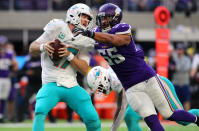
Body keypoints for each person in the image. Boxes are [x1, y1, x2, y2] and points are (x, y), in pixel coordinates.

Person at [72, 3, 199, 131]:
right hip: (131, 88)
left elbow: (114, 40)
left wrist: (90, 34)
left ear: (115, 19)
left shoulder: (123, 28)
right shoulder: (95, 33)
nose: (103, 21)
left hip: (148, 78)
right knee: (151, 120)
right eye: (102, 18)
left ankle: (197, 120)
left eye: (107, 18)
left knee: (169, 114)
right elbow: (79, 42)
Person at [29, 3, 101, 131]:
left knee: (92, 118)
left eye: (88, 19)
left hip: (71, 84)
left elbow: (85, 69)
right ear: (73, 14)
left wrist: (69, 56)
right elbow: (32, 48)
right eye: (83, 16)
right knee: (40, 111)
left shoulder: (86, 38)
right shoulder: (57, 27)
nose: (86, 21)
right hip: (51, 83)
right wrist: (43, 46)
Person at [87, 66, 199, 131]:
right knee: (130, 117)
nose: (100, 90)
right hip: (142, 93)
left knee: (181, 119)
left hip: (159, 86)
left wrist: (113, 130)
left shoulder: (116, 80)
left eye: (99, 87)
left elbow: (122, 106)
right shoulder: (112, 73)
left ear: (102, 79)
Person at [0, 35, 18, 123]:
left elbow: (16, 65)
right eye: (1, 44)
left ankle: (2, 115)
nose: (2, 46)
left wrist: (13, 71)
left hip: (6, 78)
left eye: (3, 44)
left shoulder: (9, 54)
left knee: (4, 97)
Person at [172, 43, 191, 110]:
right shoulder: (173, 58)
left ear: (183, 50)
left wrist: (176, 67)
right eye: (178, 49)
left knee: (186, 101)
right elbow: (170, 67)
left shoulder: (187, 59)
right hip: (175, 83)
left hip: (184, 83)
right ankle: (177, 117)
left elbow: (186, 68)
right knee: (175, 101)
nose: (179, 51)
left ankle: (188, 117)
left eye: (180, 49)